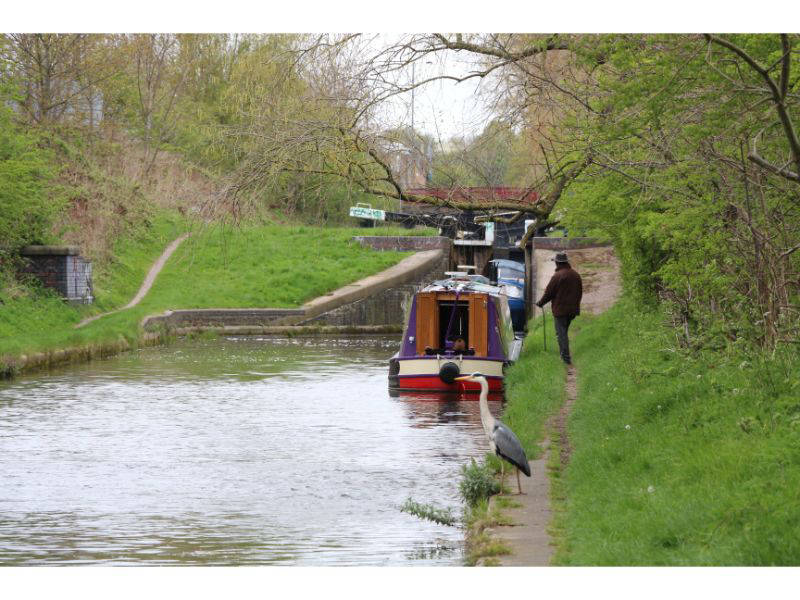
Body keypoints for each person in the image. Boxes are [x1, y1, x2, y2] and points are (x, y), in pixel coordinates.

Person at [536, 251, 583, 365]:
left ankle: (566, 359)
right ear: (566, 262)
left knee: (561, 333)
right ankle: (564, 354)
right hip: (572, 310)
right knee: (564, 332)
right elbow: (580, 292)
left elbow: (549, 293)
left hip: (561, 310)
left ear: (558, 263)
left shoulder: (558, 276)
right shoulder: (576, 275)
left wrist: (540, 303)